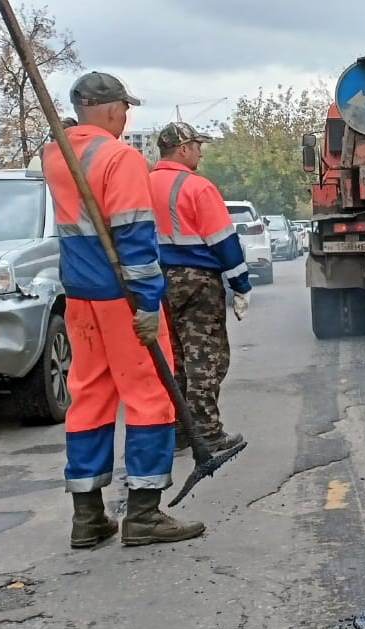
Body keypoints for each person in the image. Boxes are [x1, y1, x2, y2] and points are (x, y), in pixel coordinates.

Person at [43, 72, 204, 547]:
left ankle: (88, 516)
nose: (127, 115)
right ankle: (144, 512)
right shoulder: (119, 157)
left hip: (80, 295)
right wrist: (149, 301)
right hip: (121, 297)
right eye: (125, 108)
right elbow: (133, 235)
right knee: (150, 395)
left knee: (89, 397)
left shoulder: (56, 153)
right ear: (111, 110)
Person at [149, 121, 251, 455]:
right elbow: (223, 241)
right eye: (196, 145)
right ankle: (207, 433)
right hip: (196, 280)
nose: (200, 151)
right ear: (182, 149)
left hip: (156, 279)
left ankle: (180, 430)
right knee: (206, 357)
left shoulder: (143, 184)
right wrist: (240, 284)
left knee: (175, 356)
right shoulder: (197, 187)